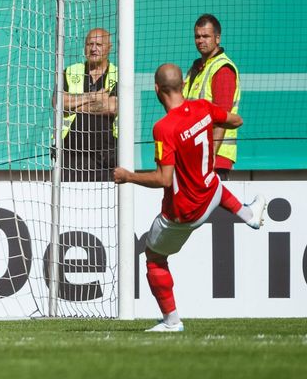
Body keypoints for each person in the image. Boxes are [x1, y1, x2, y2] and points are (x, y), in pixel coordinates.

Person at [113, 63, 266, 332]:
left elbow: (163, 179)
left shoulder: (164, 128)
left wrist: (128, 176)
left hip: (183, 214)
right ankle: (248, 215)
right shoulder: (203, 107)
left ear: (157, 89)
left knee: (154, 259)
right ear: (183, 85)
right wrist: (209, 125)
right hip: (211, 195)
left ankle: (172, 321)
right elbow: (236, 120)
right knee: (212, 180)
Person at [183, 14, 240, 180]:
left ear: (217, 38)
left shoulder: (222, 69)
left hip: (214, 160)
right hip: (195, 156)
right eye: (197, 36)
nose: (201, 40)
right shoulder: (195, 69)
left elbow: (222, 117)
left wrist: (210, 159)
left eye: (206, 36)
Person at [57, 28, 118, 182]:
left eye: (98, 44)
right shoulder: (71, 72)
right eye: (90, 44)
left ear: (109, 48)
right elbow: (59, 102)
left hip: (107, 156)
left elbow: (112, 107)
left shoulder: (119, 74)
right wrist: (93, 97)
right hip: (71, 155)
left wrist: (75, 105)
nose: (93, 48)